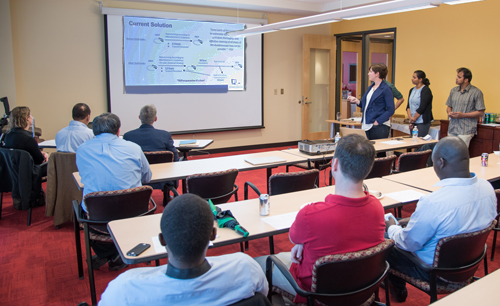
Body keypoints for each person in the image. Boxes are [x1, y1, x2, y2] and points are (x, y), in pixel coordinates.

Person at [255, 134, 385, 304]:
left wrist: (301, 242)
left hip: (313, 293)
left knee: (258, 263)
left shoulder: (310, 214)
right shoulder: (377, 208)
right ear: (368, 167)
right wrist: (303, 243)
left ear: (335, 164)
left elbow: (294, 237)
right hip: (361, 288)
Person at [99, 193, 268, 306]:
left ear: (162, 239)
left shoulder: (124, 290)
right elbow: (263, 296)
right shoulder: (245, 268)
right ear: (213, 235)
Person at [385, 136, 497, 302]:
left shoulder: (434, 202)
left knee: (384, 239)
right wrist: (417, 220)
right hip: (469, 264)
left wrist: (392, 227)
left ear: (441, 163)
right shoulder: (487, 188)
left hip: (433, 272)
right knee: (402, 222)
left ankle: (398, 289)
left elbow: (407, 243)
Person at [76, 112, 152, 271]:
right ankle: (118, 252)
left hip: (98, 217)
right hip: (134, 213)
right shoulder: (134, 148)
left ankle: (108, 252)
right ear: (118, 131)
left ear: (94, 131)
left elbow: (84, 177)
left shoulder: (82, 150)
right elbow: (147, 177)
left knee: (80, 208)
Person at [2, 106, 48, 206]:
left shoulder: (8, 136)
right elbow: (39, 160)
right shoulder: (28, 139)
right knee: (55, 163)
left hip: (14, 173)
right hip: (29, 171)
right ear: (27, 118)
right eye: (30, 115)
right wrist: (45, 155)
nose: (32, 117)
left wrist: (40, 153)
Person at [347, 64, 395, 140]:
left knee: (379, 150)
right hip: (367, 123)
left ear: (377, 74)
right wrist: (356, 101)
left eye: (371, 71)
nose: (368, 73)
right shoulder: (370, 87)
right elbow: (364, 104)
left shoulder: (386, 89)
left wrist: (378, 122)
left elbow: (391, 109)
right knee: (367, 149)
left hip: (379, 125)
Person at [446, 67, 485, 147]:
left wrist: (463, 115)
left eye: (459, 77)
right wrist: (449, 112)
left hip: (466, 130)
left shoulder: (476, 92)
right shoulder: (453, 91)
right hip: (452, 128)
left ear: (466, 80)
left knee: (460, 155)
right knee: (448, 153)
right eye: (457, 76)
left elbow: (481, 112)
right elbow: (449, 106)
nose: (456, 78)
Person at [407, 70, 433, 137]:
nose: (412, 79)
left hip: (422, 121)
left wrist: (414, 118)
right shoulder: (411, 90)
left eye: (414, 77)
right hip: (413, 121)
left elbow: (422, 107)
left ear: (420, 79)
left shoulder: (426, 90)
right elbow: (408, 106)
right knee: (413, 141)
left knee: (420, 142)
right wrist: (410, 118)